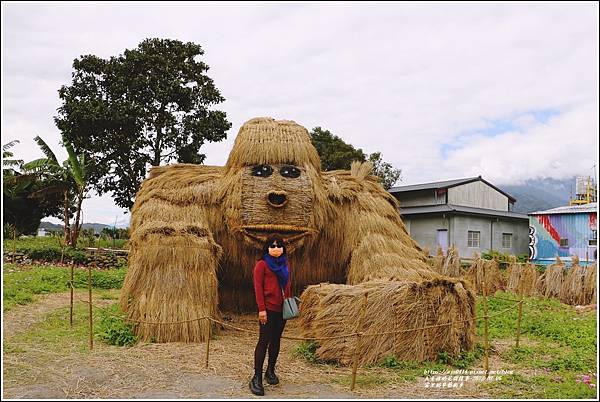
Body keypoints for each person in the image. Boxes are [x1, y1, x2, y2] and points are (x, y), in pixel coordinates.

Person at [249, 235, 292, 396]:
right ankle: (257, 376)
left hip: (282, 310)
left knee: (276, 341)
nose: (276, 249)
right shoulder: (262, 265)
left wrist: (288, 302)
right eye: (272, 246)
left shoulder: (285, 264)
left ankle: (270, 371)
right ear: (267, 248)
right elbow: (258, 288)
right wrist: (261, 309)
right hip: (268, 310)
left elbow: (288, 285)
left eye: (279, 246)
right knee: (263, 341)